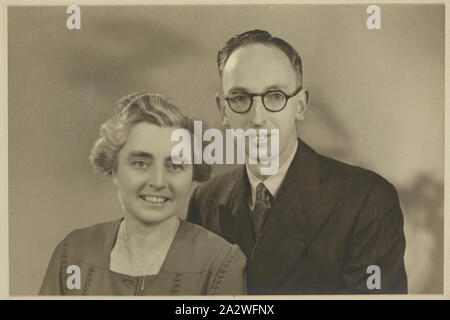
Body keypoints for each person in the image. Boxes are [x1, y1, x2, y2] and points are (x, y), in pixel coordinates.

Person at [187, 30, 408, 294]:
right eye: (240, 98)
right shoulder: (205, 201)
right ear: (223, 110)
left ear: (300, 105)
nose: (257, 118)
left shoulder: (367, 200)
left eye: (275, 96)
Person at [40, 93, 246, 295]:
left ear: (193, 174)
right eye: (141, 163)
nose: (158, 181)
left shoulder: (220, 264)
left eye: (175, 165)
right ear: (113, 171)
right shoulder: (73, 253)